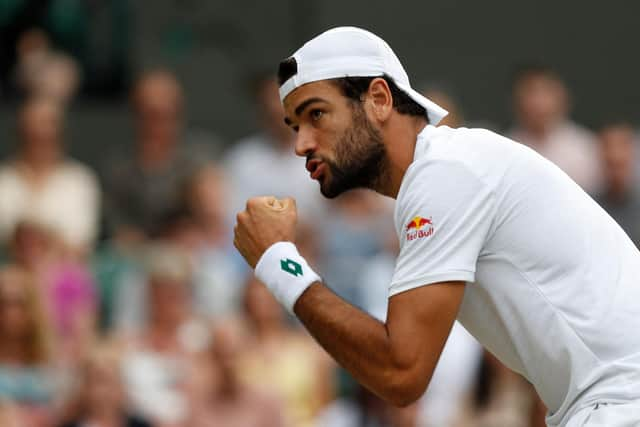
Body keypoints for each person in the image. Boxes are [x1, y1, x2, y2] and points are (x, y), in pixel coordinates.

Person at [232, 27, 640, 427]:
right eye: (295, 126)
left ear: (378, 98)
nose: (302, 143)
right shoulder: (443, 173)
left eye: (316, 114)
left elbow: (401, 373)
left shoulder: (444, 173)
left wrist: (278, 260)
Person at [508, 65, 602, 194]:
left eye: (545, 91)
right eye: (530, 92)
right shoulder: (506, 147)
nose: (538, 102)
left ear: (562, 96)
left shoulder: (586, 147)